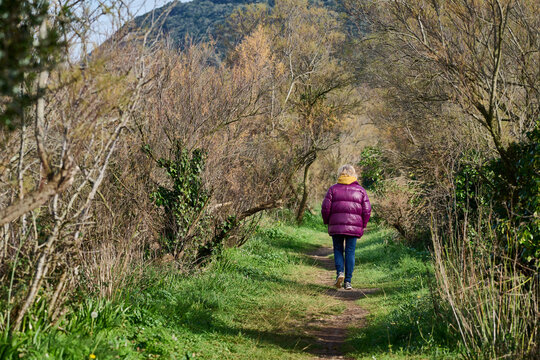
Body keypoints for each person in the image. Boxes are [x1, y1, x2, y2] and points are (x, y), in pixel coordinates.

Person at [321, 164, 371, 290]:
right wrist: (363, 225)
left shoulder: (333, 189)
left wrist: (327, 221)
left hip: (336, 226)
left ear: (340, 174)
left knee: (338, 249)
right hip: (353, 227)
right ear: (353, 174)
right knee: (350, 252)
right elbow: (367, 210)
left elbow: (325, 208)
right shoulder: (360, 190)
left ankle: (340, 273)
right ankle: (348, 282)